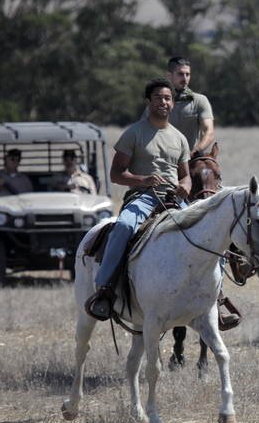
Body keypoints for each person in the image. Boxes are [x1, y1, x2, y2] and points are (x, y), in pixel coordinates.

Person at [85, 78, 192, 321]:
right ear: (148, 102)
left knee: (206, 230)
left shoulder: (180, 138)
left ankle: (214, 295)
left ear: (172, 103)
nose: (163, 102)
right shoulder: (134, 133)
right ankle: (104, 289)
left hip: (174, 199)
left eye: (167, 98)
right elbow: (116, 174)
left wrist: (185, 186)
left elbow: (185, 176)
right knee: (122, 226)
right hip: (142, 197)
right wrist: (142, 180)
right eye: (158, 98)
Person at [163, 56, 216, 157]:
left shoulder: (199, 100)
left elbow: (209, 131)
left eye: (187, 74)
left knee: (211, 171)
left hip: (191, 158)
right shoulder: (159, 102)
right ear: (169, 76)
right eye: (180, 74)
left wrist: (195, 151)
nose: (185, 78)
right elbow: (145, 131)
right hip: (163, 159)